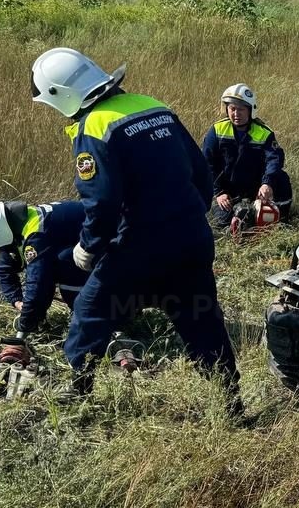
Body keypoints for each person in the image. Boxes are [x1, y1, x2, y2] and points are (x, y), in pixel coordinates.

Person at [29, 46, 240, 406]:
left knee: (90, 310)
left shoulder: (94, 126)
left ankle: (78, 390)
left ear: (59, 96)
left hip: (141, 246)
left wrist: (89, 247)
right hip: (192, 238)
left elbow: (102, 203)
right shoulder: (153, 105)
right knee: (202, 320)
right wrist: (189, 216)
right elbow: (202, 173)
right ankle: (231, 401)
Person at [0, 199, 88, 335]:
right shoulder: (16, 225)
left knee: (64, 262)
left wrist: (26, 323)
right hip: (94, 247)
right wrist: (17, 301)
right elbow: (3, 268)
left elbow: (39, 283)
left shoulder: (36, 235)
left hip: (106, 248)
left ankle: (89, 316)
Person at [202, 83, 293, 230]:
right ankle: (238, 220)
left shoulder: (264, 132)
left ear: (251, 110)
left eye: (241, 109)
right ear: (226, 109)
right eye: (232, 109)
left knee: (281, 178)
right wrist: (218, 193)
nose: (236, 114)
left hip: (256, 186)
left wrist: (267, 183)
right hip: (227, 189)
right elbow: (206, 163)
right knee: (221, 223)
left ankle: (281, 219)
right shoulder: (217, 130)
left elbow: (274, 159)